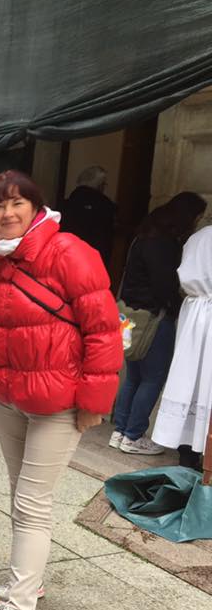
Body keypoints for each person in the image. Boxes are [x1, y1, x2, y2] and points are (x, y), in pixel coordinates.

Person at [0, 170, 122, 610]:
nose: (8, 213)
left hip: (58, 404)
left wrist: (95, 402)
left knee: (33, 503)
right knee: (20, 496)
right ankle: (28, 581)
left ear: (36, 206)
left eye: (17, 202)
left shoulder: (68, 251)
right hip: (10, 397)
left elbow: (103, 329)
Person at [111, 192, 208, 455]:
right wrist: (178, 310)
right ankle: (133, 436)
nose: (198, 222)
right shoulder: (164, 244)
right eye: (198, 217)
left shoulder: (143, 235)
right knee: (153, 378)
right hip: (154, 318)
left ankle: (120, 431)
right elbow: (164, 286)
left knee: (133, 376)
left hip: (129, 315)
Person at [152, 202, 212, 471]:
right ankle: (202, 449)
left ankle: (186, 450)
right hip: (205, 311)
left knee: (188, 378)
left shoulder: (198, 237)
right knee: (206, 382)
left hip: (193, 313)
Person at [60, 166, 117, 268]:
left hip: (66, 255)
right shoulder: (106, 205)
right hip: (93, 259)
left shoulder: (67, 202)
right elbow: (105, 238)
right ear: (100, 185)